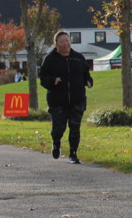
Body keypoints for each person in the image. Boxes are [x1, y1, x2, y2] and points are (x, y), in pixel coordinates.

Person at [39, 30, 93, 164]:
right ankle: (56, 143)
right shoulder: (50, 59)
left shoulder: (78, 58)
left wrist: (88, 81)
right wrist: (52, 81)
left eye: (67, 41)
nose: (65, 44)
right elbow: (43, 78)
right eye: (62, 42)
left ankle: (73, 154)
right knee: (59, 128)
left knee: (75, 128)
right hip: (57, 101)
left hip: (77, 100)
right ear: (56, 44)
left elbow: (86, 74)